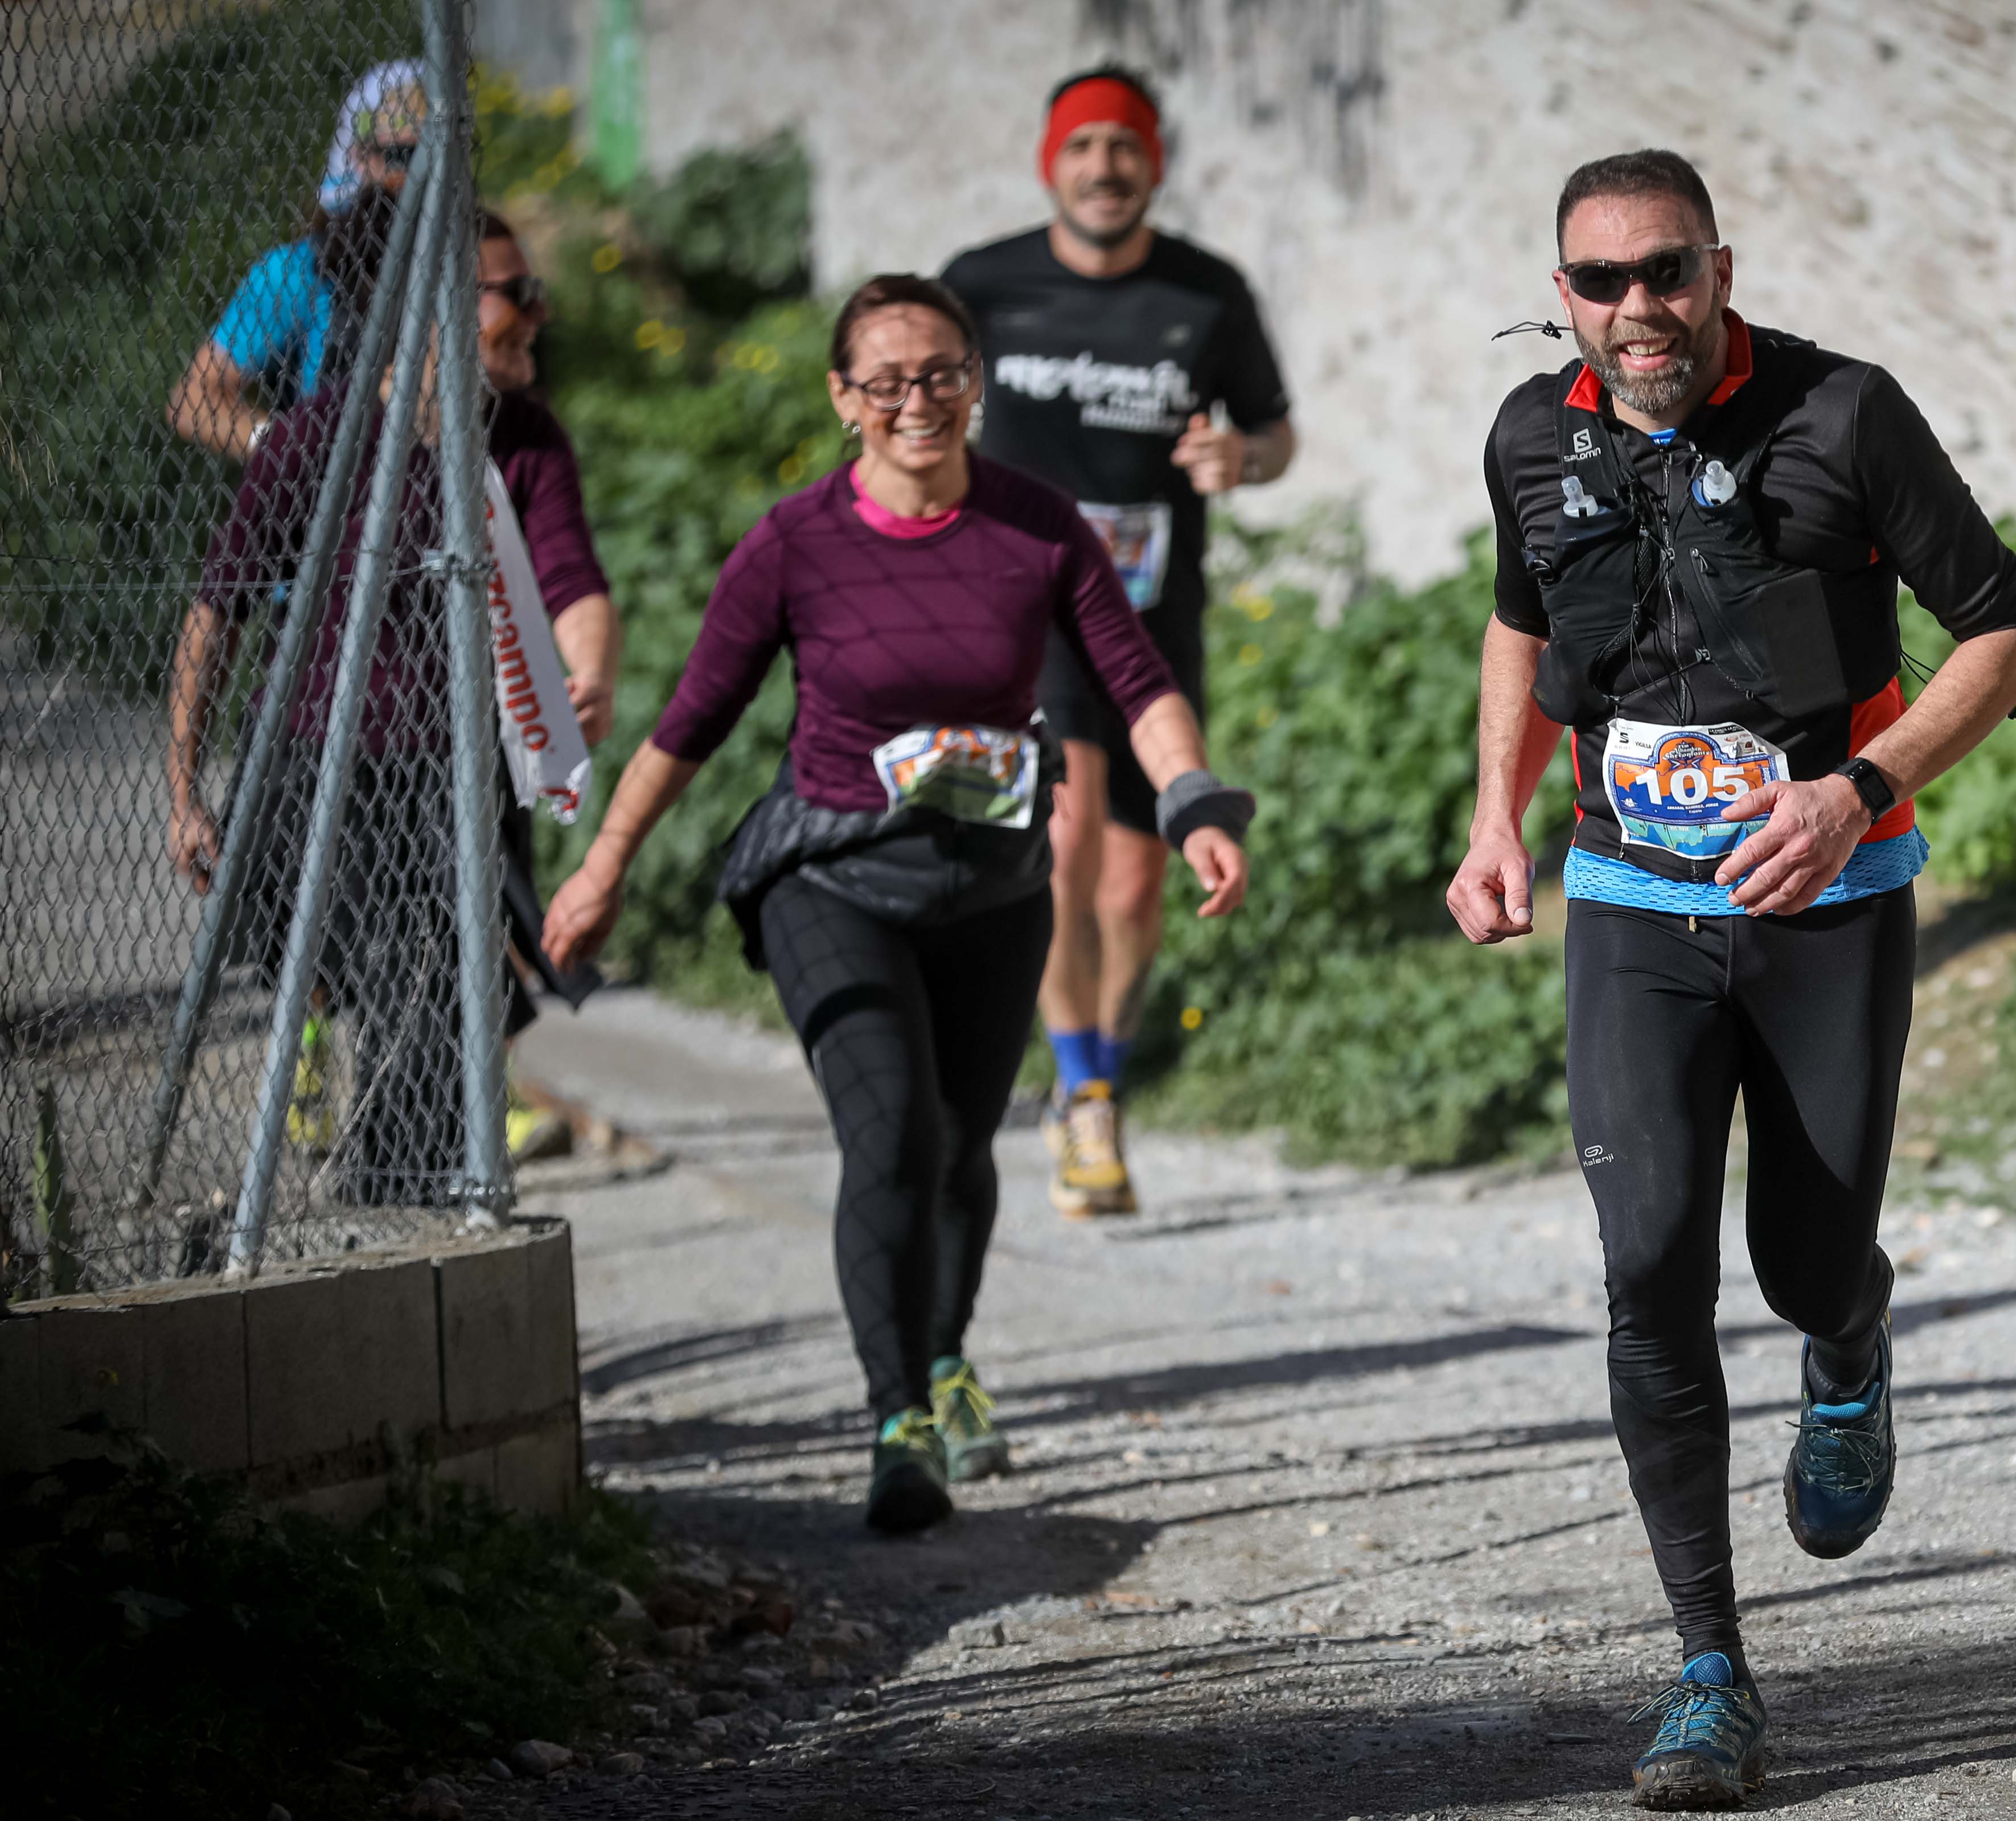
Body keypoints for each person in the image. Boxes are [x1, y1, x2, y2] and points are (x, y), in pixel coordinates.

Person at [1446, 151, 2016, 1811]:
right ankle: (1709, 1668)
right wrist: (1495, 814)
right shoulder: (1531, 436)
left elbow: (2004, 632)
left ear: (1718, 268)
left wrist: (1857, 784)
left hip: (1832, 900)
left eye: (1666, 273)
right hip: (1629, 898)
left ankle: (1847, 1342)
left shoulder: (1843, 416)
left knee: (1799, 1254)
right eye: (1600, 280)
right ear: (1559, 289)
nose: (1636, 309)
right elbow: (1516, 618)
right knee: (1647, 1263)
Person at [541, 275, 1254, 1532]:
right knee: (891, 1137)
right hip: (832, 875)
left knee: (961, 1144)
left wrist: (1191, 797)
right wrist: (603, 866)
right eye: (886, 380)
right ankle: (896, 1423)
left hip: (991, 881)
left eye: (940, 374)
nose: (916, 401)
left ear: (975, 382)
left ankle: (944, 1356)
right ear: (842, 399)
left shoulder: (1038, 526)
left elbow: (1134, 676)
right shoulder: (796, 542)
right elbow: (692, 720)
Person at [169, 211, 618, 1198]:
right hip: (322, 760)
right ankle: (404, 1172)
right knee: (390, 983)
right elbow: (215, 618)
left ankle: (412, 1193)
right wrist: (185, 790)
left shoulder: (527, 436)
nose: (538, 312)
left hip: (460, 772)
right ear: (442, 313)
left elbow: (575, 582)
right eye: (515, 292)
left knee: (443, 997)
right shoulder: (318, 442)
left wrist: (588, 674)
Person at [941, 65, 1295, 1219]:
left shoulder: (1206, 294)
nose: (1104, 167)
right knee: (1069, 829)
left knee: (1140, 885)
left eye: (1124, 147)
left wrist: (1239, 462)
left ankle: (1098, 1059)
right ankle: (1087, 1095)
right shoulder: (984, 285)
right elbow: (914, 411)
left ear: (1155, 163)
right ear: (1051, 161)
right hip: (1026, 610)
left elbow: (1275, 431)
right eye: (1083, 146)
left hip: (1153, 616)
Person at [170, 61, 427, 463]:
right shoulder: (300, 273)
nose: (425, 177)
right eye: (404, 157)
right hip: (339, 497)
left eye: (440, 154)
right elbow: (194, 400)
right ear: (362, 159)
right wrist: (288, 453)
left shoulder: (476, 254)